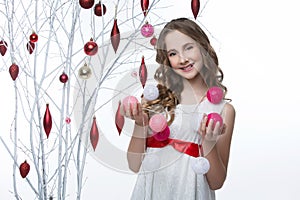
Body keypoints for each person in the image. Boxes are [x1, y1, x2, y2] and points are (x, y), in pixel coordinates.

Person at [122, 18, 235, 200]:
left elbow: (216, 182)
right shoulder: (154, 100)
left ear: (203, 47)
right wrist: (141, 123)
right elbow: (134, 165)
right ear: (167, 60)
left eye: (188, 47)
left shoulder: (223, 110)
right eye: (173, 53)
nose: (182, 59)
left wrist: (208, 141)